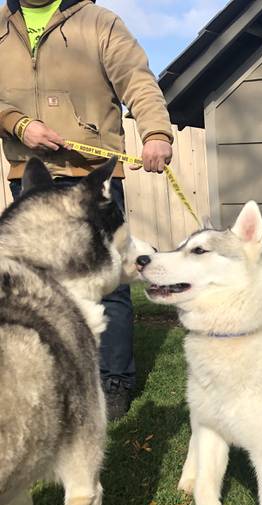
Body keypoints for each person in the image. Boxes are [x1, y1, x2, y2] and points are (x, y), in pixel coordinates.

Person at [0, 0, 174, 420]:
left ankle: (113, 380)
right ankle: (49, 377)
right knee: (34, 286)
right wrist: (19, 125)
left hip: (93, 178)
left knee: (108, 280)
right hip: (30, 177)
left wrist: (155, 132)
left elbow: (137, 80)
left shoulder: (100, 23)